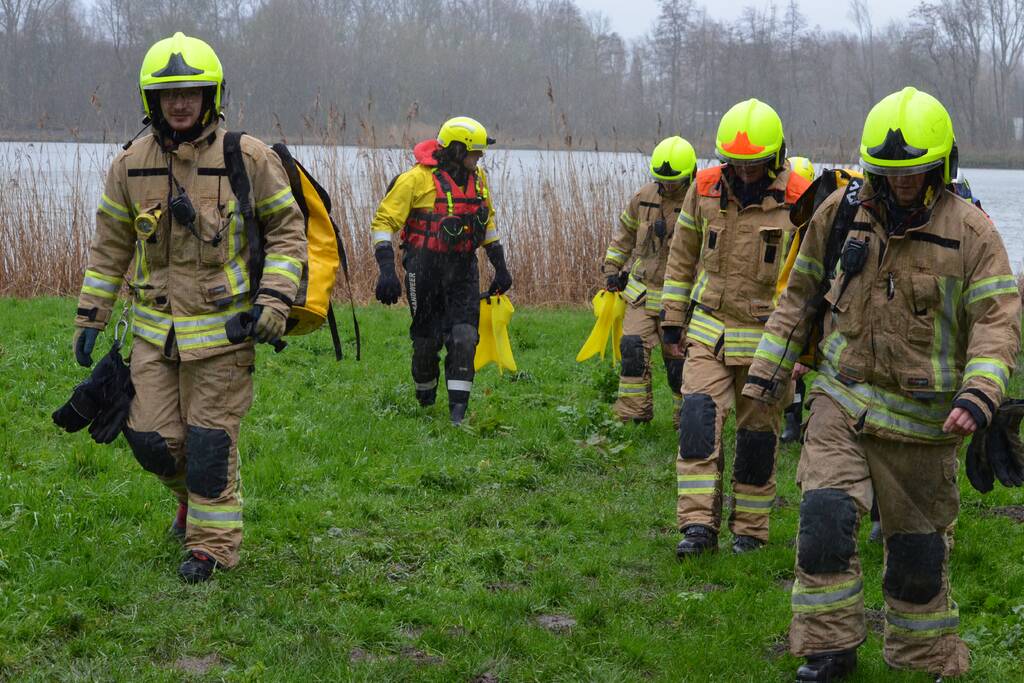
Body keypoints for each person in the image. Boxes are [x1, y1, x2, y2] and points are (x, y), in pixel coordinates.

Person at [742, 87, 1020, 680]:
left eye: (914, 172)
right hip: (840, 399)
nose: (900, 184)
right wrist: (767, 371)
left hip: (923, 427)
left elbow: (998, 324)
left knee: (916, 561)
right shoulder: (842, 212)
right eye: (889, 172)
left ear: (941, 165)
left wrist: (980, 395)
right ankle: (829, 648)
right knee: (823, 522)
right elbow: (799, 294)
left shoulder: (972, 233)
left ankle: (922, 657)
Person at [72, 32, 307, 583]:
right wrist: (91, 318)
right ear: (151, 101)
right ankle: (192, 501)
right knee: (152, 442)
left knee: (207, 444)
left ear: (212, 95)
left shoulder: (248, 158)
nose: (181, 102)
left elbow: (287, 233)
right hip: (155, 334)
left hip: (225, 335)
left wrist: (274, 299)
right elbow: (109, 249)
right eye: (169, 93)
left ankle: (211, 548)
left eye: (192, 92)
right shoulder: (128, 165)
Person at [661, 99, 810, 557]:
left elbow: (814, 274)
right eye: (736, 164)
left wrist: (806, 346)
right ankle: (697, 528)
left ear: (776, 158)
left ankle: (750, 531)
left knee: (757, 440)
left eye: (754, 165)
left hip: (770, 340)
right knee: (697, 423)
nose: (744, 174)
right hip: (709, 329)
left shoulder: (802, 196)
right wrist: (671, 321)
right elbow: (682, 256)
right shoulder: (704, 188)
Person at [370, 117, 512, 425]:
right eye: (475, 153)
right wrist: (386, 271)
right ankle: (425, 395)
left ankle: (457, 416)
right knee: (427, 341)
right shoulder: (414, 181)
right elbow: (383, 224)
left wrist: (500, 266)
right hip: (423, 268)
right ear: (458, 150)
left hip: (463, 268)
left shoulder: (479, 180)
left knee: (464, 338)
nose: (479, 159)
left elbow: (487, 225)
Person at [603, 136, 696, 426]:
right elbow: (625, 234)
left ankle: (686, 419)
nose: (667, 186)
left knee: (678, 361)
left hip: (681, 297)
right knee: (631, 349)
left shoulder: (700, 201)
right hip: (642, 293)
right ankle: (633, 415)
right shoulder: (644, 196)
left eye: (675, 181)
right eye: (662, 180)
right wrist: (611, 267)